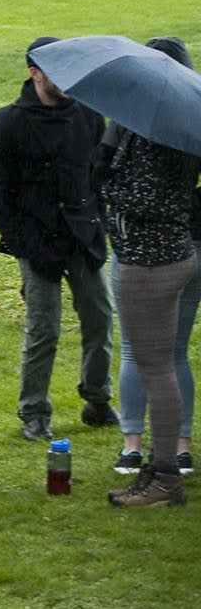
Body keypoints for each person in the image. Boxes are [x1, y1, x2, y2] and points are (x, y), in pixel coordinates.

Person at [0, 38, 117, 441]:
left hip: (83, 234)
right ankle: (34, 412)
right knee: (44, 327)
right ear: (34, 72)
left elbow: (101, 175)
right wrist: (22, 241)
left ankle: (98, 398)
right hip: (36, 238)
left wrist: (98, 221)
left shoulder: (90, 116)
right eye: (53, 69)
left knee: (100, 316)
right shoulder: (9, 122)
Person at [99, 37, 199, 508]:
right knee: (157, 365)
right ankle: (158, 471)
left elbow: (144, 199)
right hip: (160, 255)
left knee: (156, 368)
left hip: (151, 262)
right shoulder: (166, 127)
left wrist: (106, 189)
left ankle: (163, 480)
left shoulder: (162, 136)